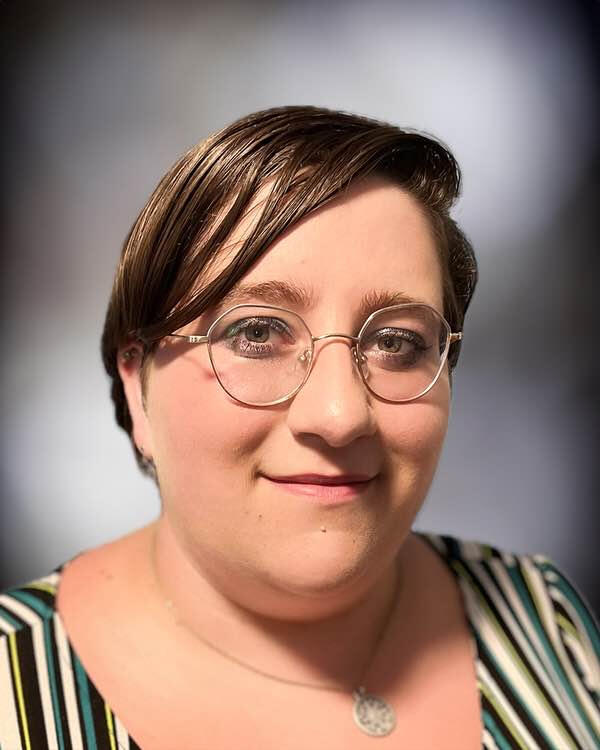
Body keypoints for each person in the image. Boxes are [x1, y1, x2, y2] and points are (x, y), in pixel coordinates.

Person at [0, 106, 598, 750]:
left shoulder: (544, 612)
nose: (340, 416)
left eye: (397, 341)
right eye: (256, 333)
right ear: (136, 388)